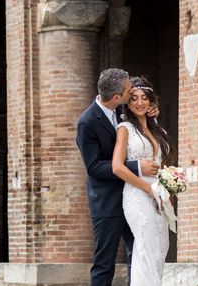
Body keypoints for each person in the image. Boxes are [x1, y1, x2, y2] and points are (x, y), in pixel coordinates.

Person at [76, 68, 160, 286]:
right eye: (128, 90)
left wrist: (152, 113)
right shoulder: (87, 122)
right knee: (105, 263)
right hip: (107, 201)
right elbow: (94, 167)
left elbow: (139, 113)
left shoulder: (121, 110)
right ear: (116, 96)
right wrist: (136, 167)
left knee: (138, 255)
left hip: (133, 198)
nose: (131, 91)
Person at [112, 76, 174, 285]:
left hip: (159, 195)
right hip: (137, 194)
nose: (139, 103)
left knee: (160, 247)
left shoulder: (158, 130)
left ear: (151, 101)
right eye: (134, 98)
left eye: (144, 98)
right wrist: (147, 188)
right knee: (145, 248)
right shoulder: (124, 129)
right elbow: (117, 167)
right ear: (127, 103)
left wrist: (170, 187)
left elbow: (164, 165)